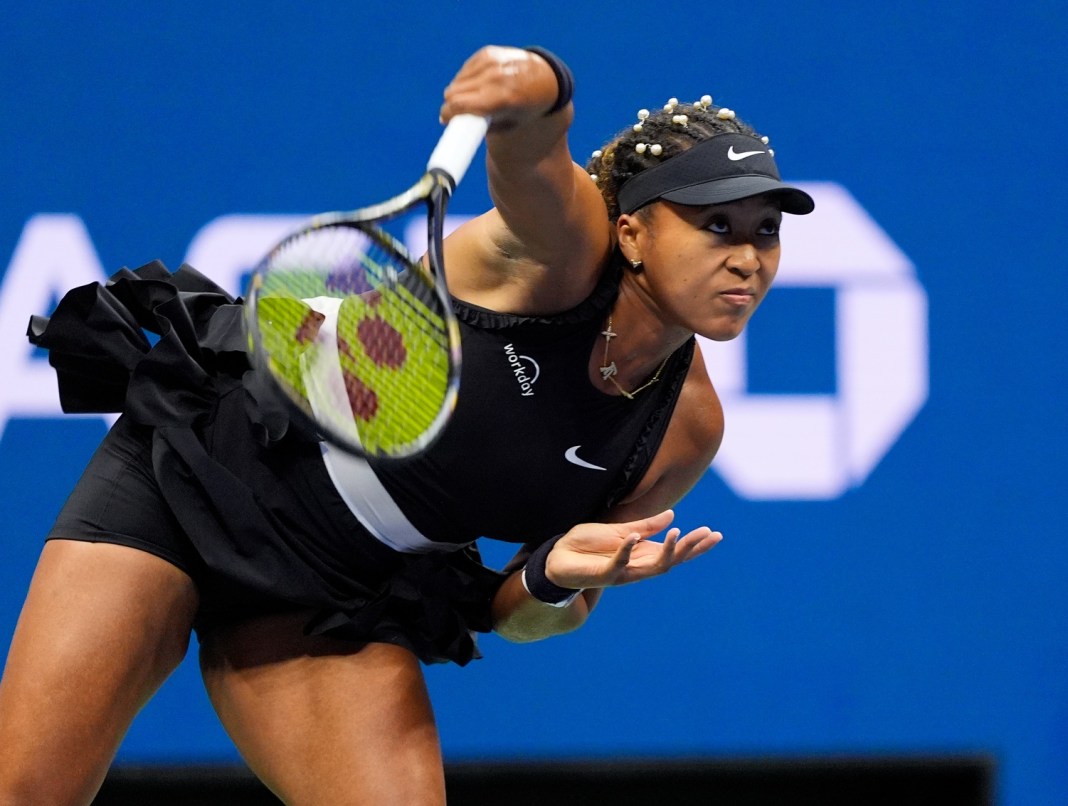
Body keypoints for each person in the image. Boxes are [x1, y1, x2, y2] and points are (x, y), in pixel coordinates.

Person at [0, 44, 813, 805]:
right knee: (29, 790)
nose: (748, 257)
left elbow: (519, 617)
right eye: (717, 225)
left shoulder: (685, 429)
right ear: (632, 230)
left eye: (765, 231)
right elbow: (531, 152)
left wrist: (554, 577)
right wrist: (534, 80)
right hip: (203, 474)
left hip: (335, 594)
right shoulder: (559, 255)